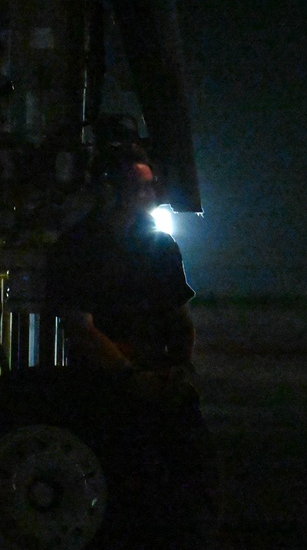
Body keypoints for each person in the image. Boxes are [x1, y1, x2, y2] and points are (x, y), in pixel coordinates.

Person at [44, 143, 217, 549]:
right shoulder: (79, 249)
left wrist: (178, 367)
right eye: (141, 188)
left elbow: (179, 315)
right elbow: (79, 326)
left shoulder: (158, 246)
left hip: (157, 378)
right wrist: (128, 375)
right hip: (105, 384)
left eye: (151, 186)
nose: (151, 196)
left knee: (193, 477)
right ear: (109, 191)